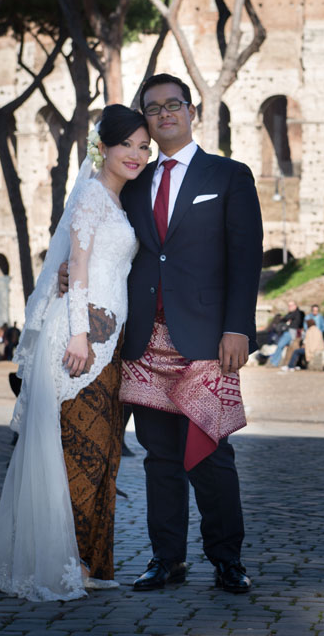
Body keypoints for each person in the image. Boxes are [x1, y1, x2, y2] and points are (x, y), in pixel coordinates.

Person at [0, 105, 150, 600]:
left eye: (144, 147)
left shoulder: (117, 202)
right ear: (104, 147)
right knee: (81, 449)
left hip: (109, 337)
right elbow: (76, 267)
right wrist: (78, 334)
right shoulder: (93, 198)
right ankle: (67, 560)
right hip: (83, 339)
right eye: (128, 145)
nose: (137, 155)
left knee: (103, 453)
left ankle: (92, 560)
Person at [111, 74, 260, 594]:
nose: (165, 113)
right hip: (144, 343)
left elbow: (245, 260)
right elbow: (115, 251)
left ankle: (227, 559)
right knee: (160, 458)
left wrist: (238, 326)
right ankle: (166, 558)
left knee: (212, 453)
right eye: (153, 109)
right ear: (145, 121)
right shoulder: (133, 181)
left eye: (174, 104)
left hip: (206, 341)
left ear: (192, 110)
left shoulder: (229, 175)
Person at [269, 301, 304, 368]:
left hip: (291, 332)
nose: (289, 307)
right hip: (292, 332)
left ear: (295, 306)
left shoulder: (296, 313)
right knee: (283, 347)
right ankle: (276, 362)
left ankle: (274, 362)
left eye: (291, 306)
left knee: (280, 345)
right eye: (289, 306)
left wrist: (285, 319)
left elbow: (284, 318)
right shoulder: (294, 313)